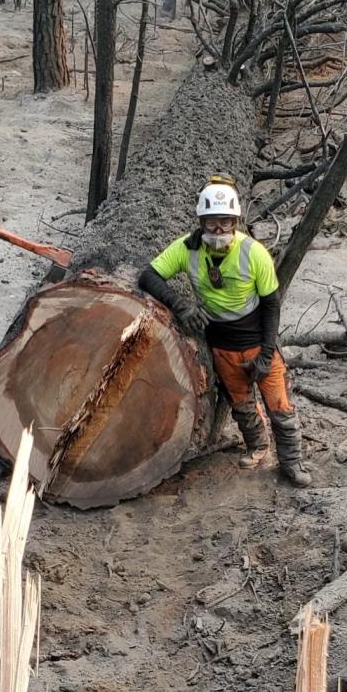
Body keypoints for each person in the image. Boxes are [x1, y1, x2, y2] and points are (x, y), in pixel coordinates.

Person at [138, 176, 312, 488]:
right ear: (201, 221)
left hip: (258, 340)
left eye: (225, 222)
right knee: (242, 406)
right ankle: (258, 447)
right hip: (222, 346)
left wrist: (267, 353)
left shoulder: (254, 253)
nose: (219, 230)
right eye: (212, 223)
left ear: (236, 221)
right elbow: (149, 276)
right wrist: (181, 305)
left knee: (280, 407)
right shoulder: (186, 249)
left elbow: (272, 305)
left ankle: (292, 463)